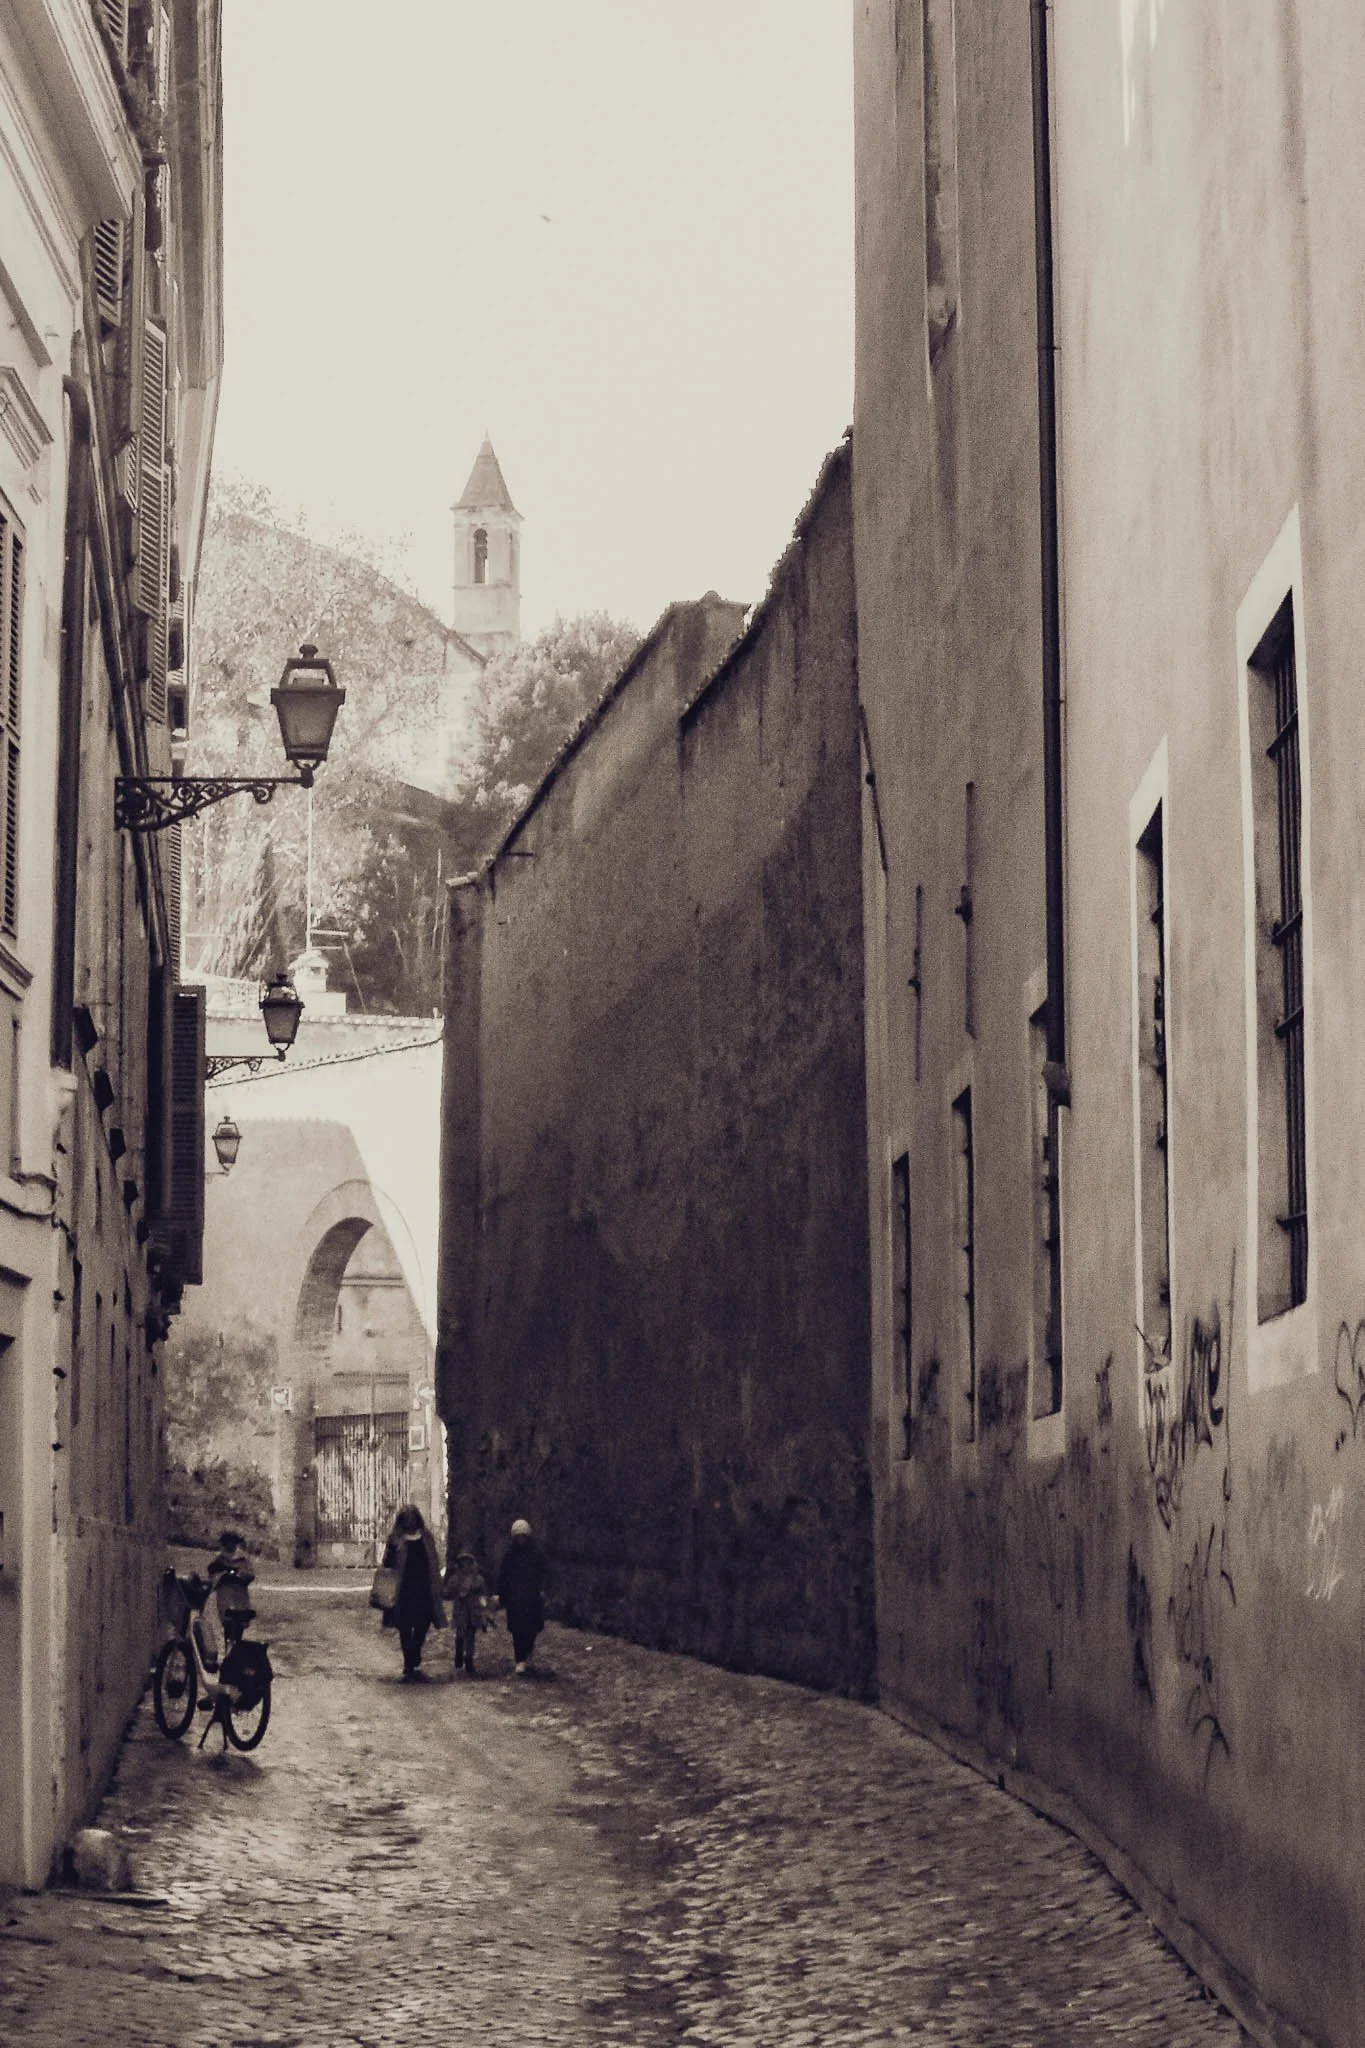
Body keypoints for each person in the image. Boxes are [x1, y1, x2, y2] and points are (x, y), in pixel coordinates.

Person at [381, 1504, 446, 1679]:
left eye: (413, 1517)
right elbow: (387, 1562)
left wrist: (438, 1584)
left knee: (423, 1623)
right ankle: (408, 1662)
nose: (410, 1521)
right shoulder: (396, 1539)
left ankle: (415, 1651)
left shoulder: (426, 1537)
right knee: (404, 1626)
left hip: (424, 1588)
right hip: (403, 1589)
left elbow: (434, 1559)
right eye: (407, 1518)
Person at [497, 1517, 548, 1674]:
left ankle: (528, 1653)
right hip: (516, 1599)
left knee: (531, 1628)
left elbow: (543, 1574)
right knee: (518, 1630)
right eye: (518, 1536)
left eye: (523, 1536)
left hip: (532, 1598)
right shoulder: (510, 1556)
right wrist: (502, 1595)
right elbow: (503, 1576)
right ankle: (520, 1659)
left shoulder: (536, 1555)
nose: (521, 1539)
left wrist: (543, 1590)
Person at [442, 1549, 491, 1675]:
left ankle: (469, 1659)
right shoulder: (455, 1579)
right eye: (463, 1562)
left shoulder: (478, 1579)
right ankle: (459, 1655)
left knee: (470, 1636)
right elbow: (447, 1592)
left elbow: (483, 1594)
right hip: (460, 1612)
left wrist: (484, 1607)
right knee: (460, 1634)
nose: (465, 1565)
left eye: (468, 1562)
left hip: (473, 1612)